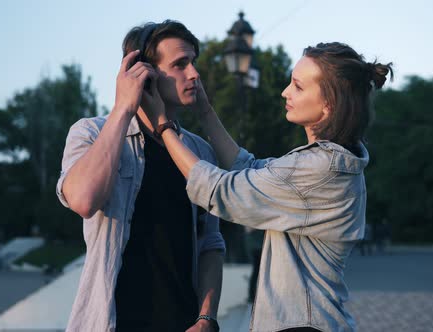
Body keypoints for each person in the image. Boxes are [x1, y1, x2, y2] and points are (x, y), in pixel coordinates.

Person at [142, 42, 393, 331]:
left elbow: (219, 191)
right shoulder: (329, 161)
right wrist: (206, 111)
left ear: (329, 105)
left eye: (298, 87)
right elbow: (248, 168)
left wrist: (163, 125)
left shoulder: (319, 169)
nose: (285, 92)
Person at [56, 20, 225, 332]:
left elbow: (211, 244)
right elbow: (83, 200)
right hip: (113, 323)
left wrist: (206, 317)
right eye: (180, 64)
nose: (194, 74)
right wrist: (123, 107)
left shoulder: (200, 152)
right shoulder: (90, 133)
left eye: (193, 62)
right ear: (143, 72)